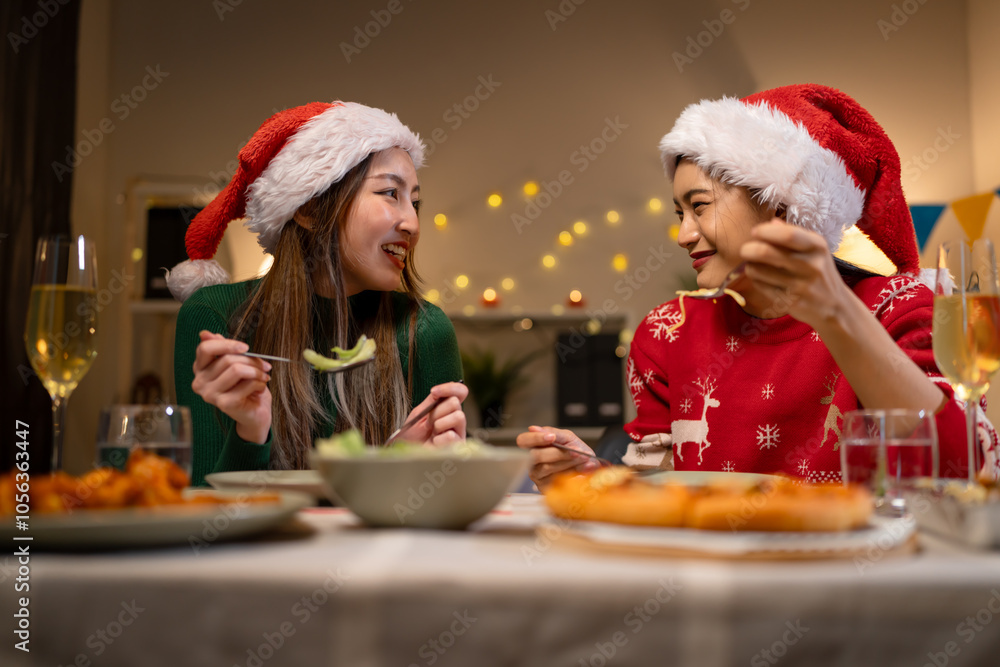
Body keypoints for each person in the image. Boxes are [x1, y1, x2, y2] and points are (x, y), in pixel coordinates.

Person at [518, 84, 999, 489]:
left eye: (700, 206)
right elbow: (658, 488)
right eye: (679, 213)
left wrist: (837, 316)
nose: (684, 235)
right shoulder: (666, 332)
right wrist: (593, 474)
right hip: (714, 592)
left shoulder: (902, 306)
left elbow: (962, 471)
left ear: (779, 205)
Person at [168, 102, 467, 486]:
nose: (412, 222)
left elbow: (449, 515)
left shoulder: (425, 330)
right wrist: (251, 432)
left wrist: (413, 468)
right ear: (308, 208)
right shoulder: (213, 318)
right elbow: (205, 525)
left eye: (416, 202)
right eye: (390, 193)